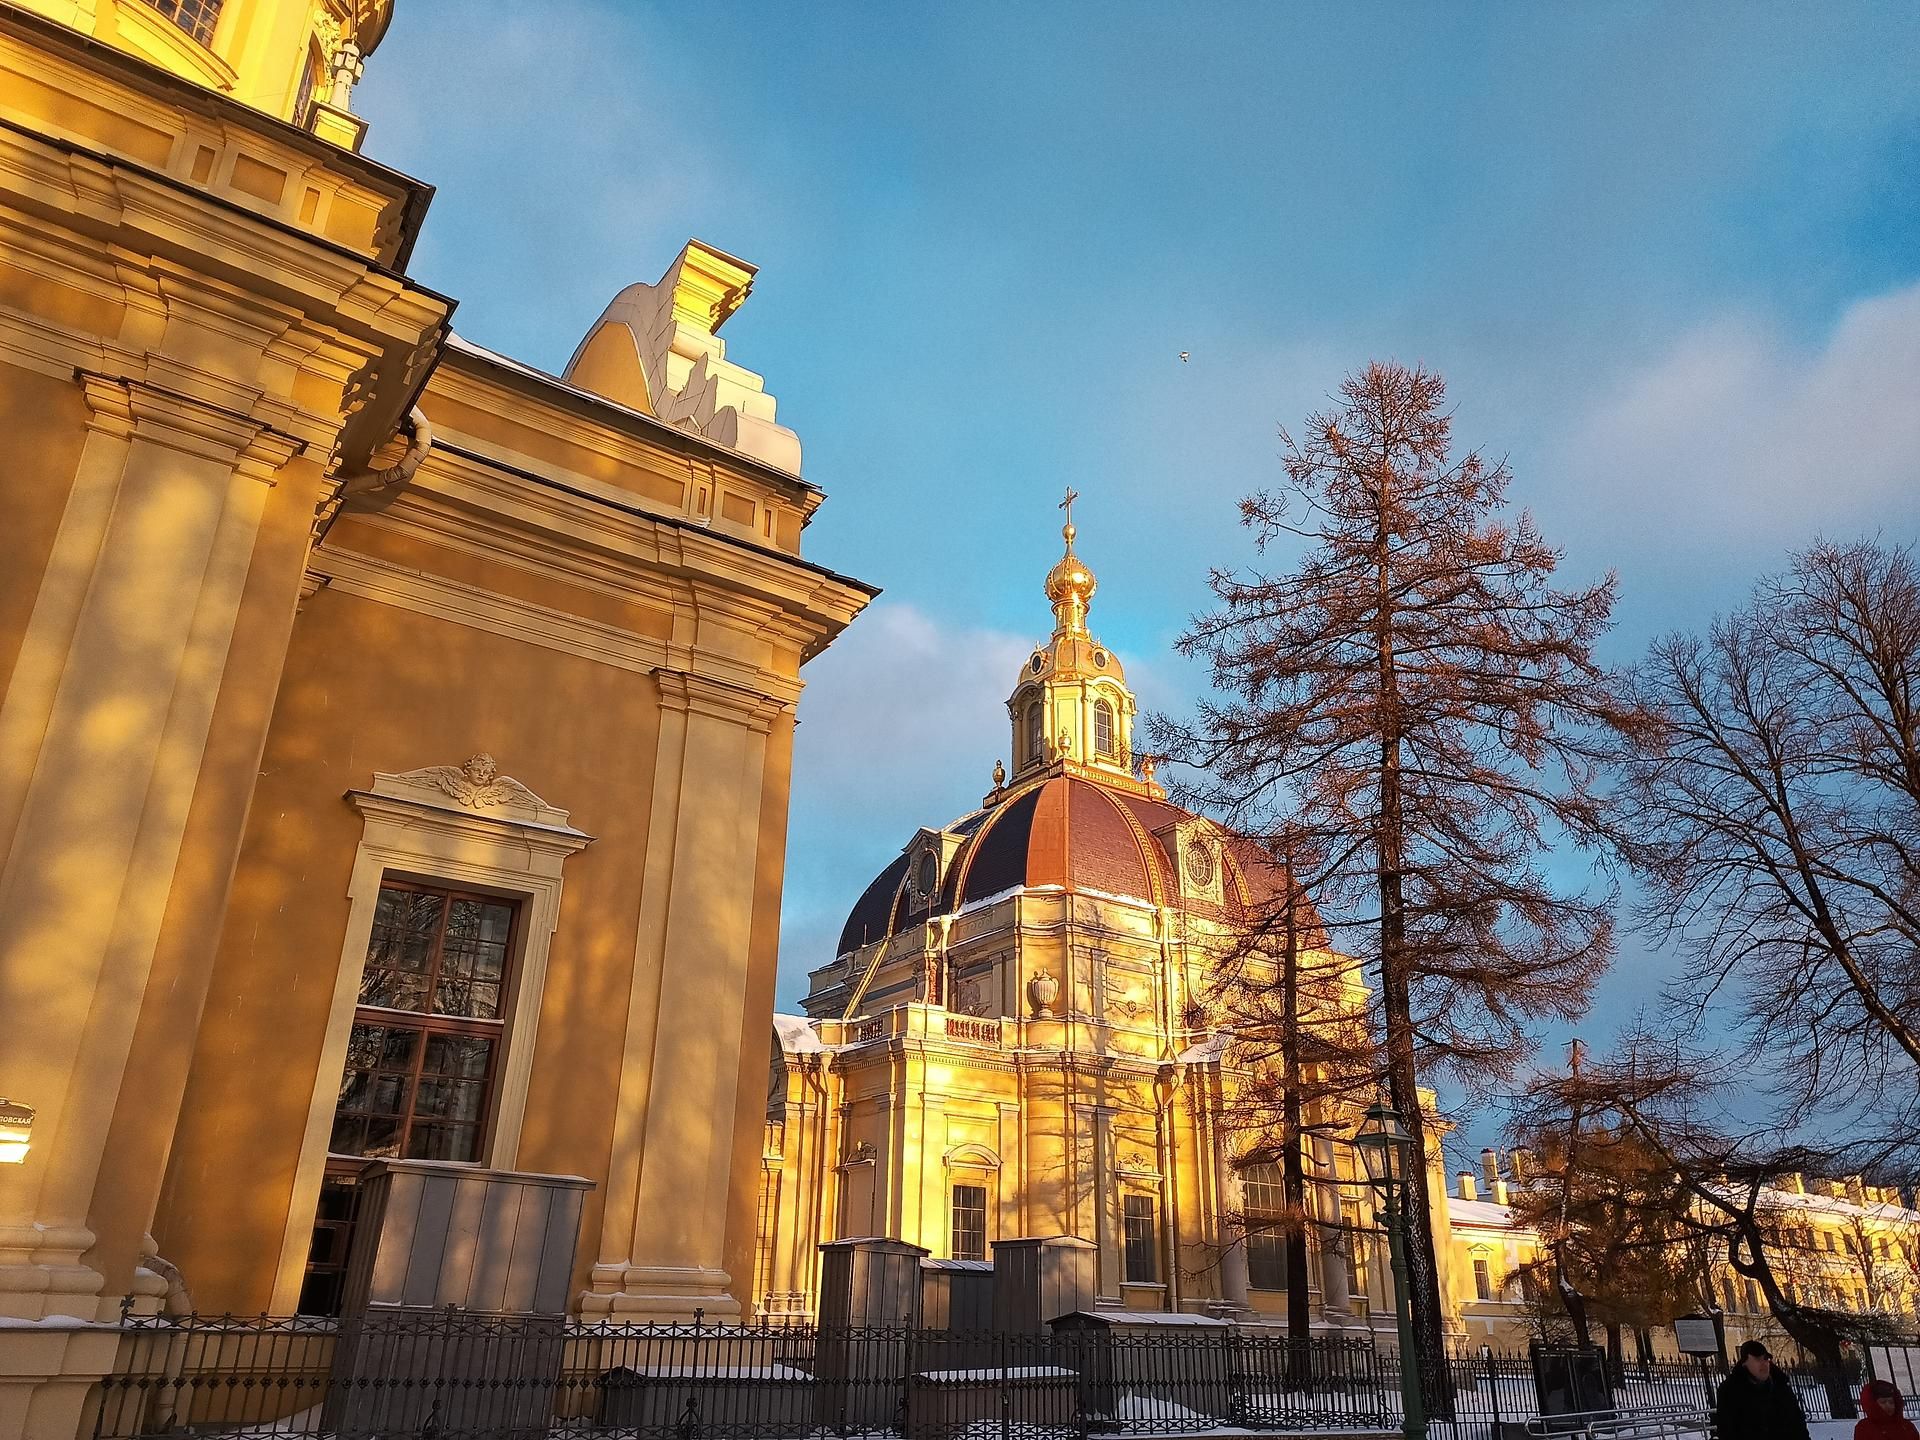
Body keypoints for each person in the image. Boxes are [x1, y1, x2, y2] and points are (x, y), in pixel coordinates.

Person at [1715, 1340, 1812, 1440]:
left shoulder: (1781, 1387)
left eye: (1766, 1359)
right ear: (1744, 1363)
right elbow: (1727, 1431)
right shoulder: (1731, 1392)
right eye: (1757, 1359)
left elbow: (1798, 1425)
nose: (1764, 1364)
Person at [1855, 1380, 1920, 1440]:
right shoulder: (1865, 1427)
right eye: (1883, 1402)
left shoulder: (1906, 1425)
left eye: (1891, 1402)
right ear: (1873, 1404)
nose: (1888, 1405)